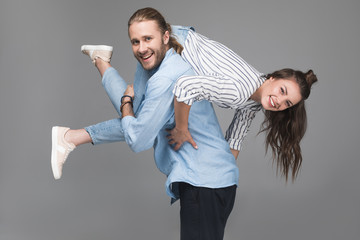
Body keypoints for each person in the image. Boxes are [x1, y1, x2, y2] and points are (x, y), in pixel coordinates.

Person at [52, 7, 239, 240]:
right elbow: (138, 123)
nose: (141, 48)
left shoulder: (165, 79)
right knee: (137, 114)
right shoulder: (158, 61)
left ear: (165, 37)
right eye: (135, 41)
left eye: (148, 39)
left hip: (205, 182)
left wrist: (126, 102)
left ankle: (75, 128)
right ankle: (96, 69)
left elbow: (138, 138)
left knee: (133, 114)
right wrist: (128, 106)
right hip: (212, 179)